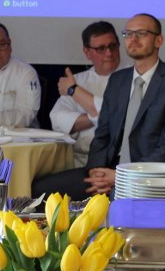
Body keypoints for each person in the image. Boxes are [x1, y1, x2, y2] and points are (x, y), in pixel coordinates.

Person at [33, 13, 165, 200]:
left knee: (116, 199)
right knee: (40, 190)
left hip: (146, 177)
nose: (133, 39)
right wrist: (96, 170)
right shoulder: (118, 80)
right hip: (108, 169)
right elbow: (102, 134)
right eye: (128, 34)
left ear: (159, 41)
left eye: (141, 33)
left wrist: (121, 176)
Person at [51, 21, 122, 167]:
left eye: (112, 46)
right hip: (79, 161)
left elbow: (120, 118)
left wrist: (76, 94)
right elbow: (57, 119)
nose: (109, 53)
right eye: (101, 48)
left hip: (117, 163)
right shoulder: (77, 80)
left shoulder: (133, 77)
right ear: (87, 52)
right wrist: (95, 116)